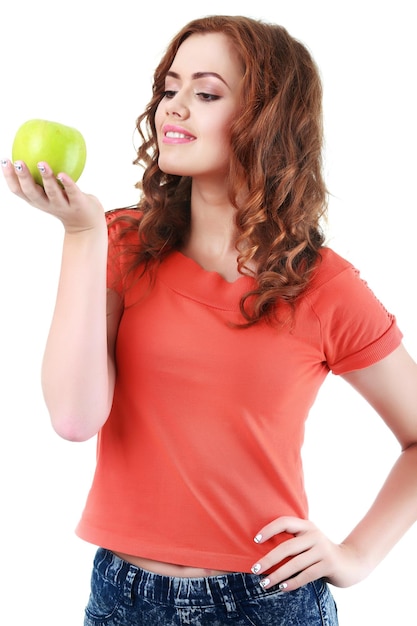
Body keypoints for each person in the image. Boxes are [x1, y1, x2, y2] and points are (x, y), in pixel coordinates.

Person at [2, 14, 417, 626]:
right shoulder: (118, 243)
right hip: (124, 598)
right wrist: (81, 232)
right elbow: (73, 417)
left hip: (269, 598)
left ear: (268, 121)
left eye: (206, 92)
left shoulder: (325, 287)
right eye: (170, 89)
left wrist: (354, 557)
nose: (174, 108)